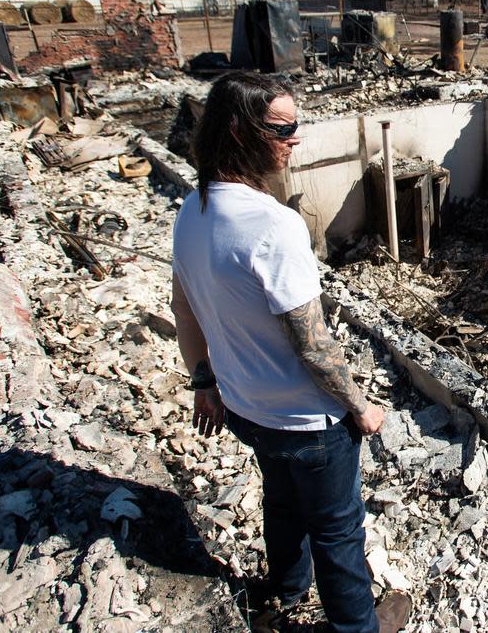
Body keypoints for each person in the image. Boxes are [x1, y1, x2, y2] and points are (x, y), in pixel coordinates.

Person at [169, 72, 402, 632]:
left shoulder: (191, 210)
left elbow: (184, 309)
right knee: (338, 531)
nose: (296, 138)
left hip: (248, 411)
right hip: (308, 424)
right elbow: (314, 346)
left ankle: (287, 589)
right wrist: (361, 407)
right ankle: (357, 626)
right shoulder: (274, 226)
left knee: (281, 500)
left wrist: (204, 383)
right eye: (283, 127)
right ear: (238, 130)